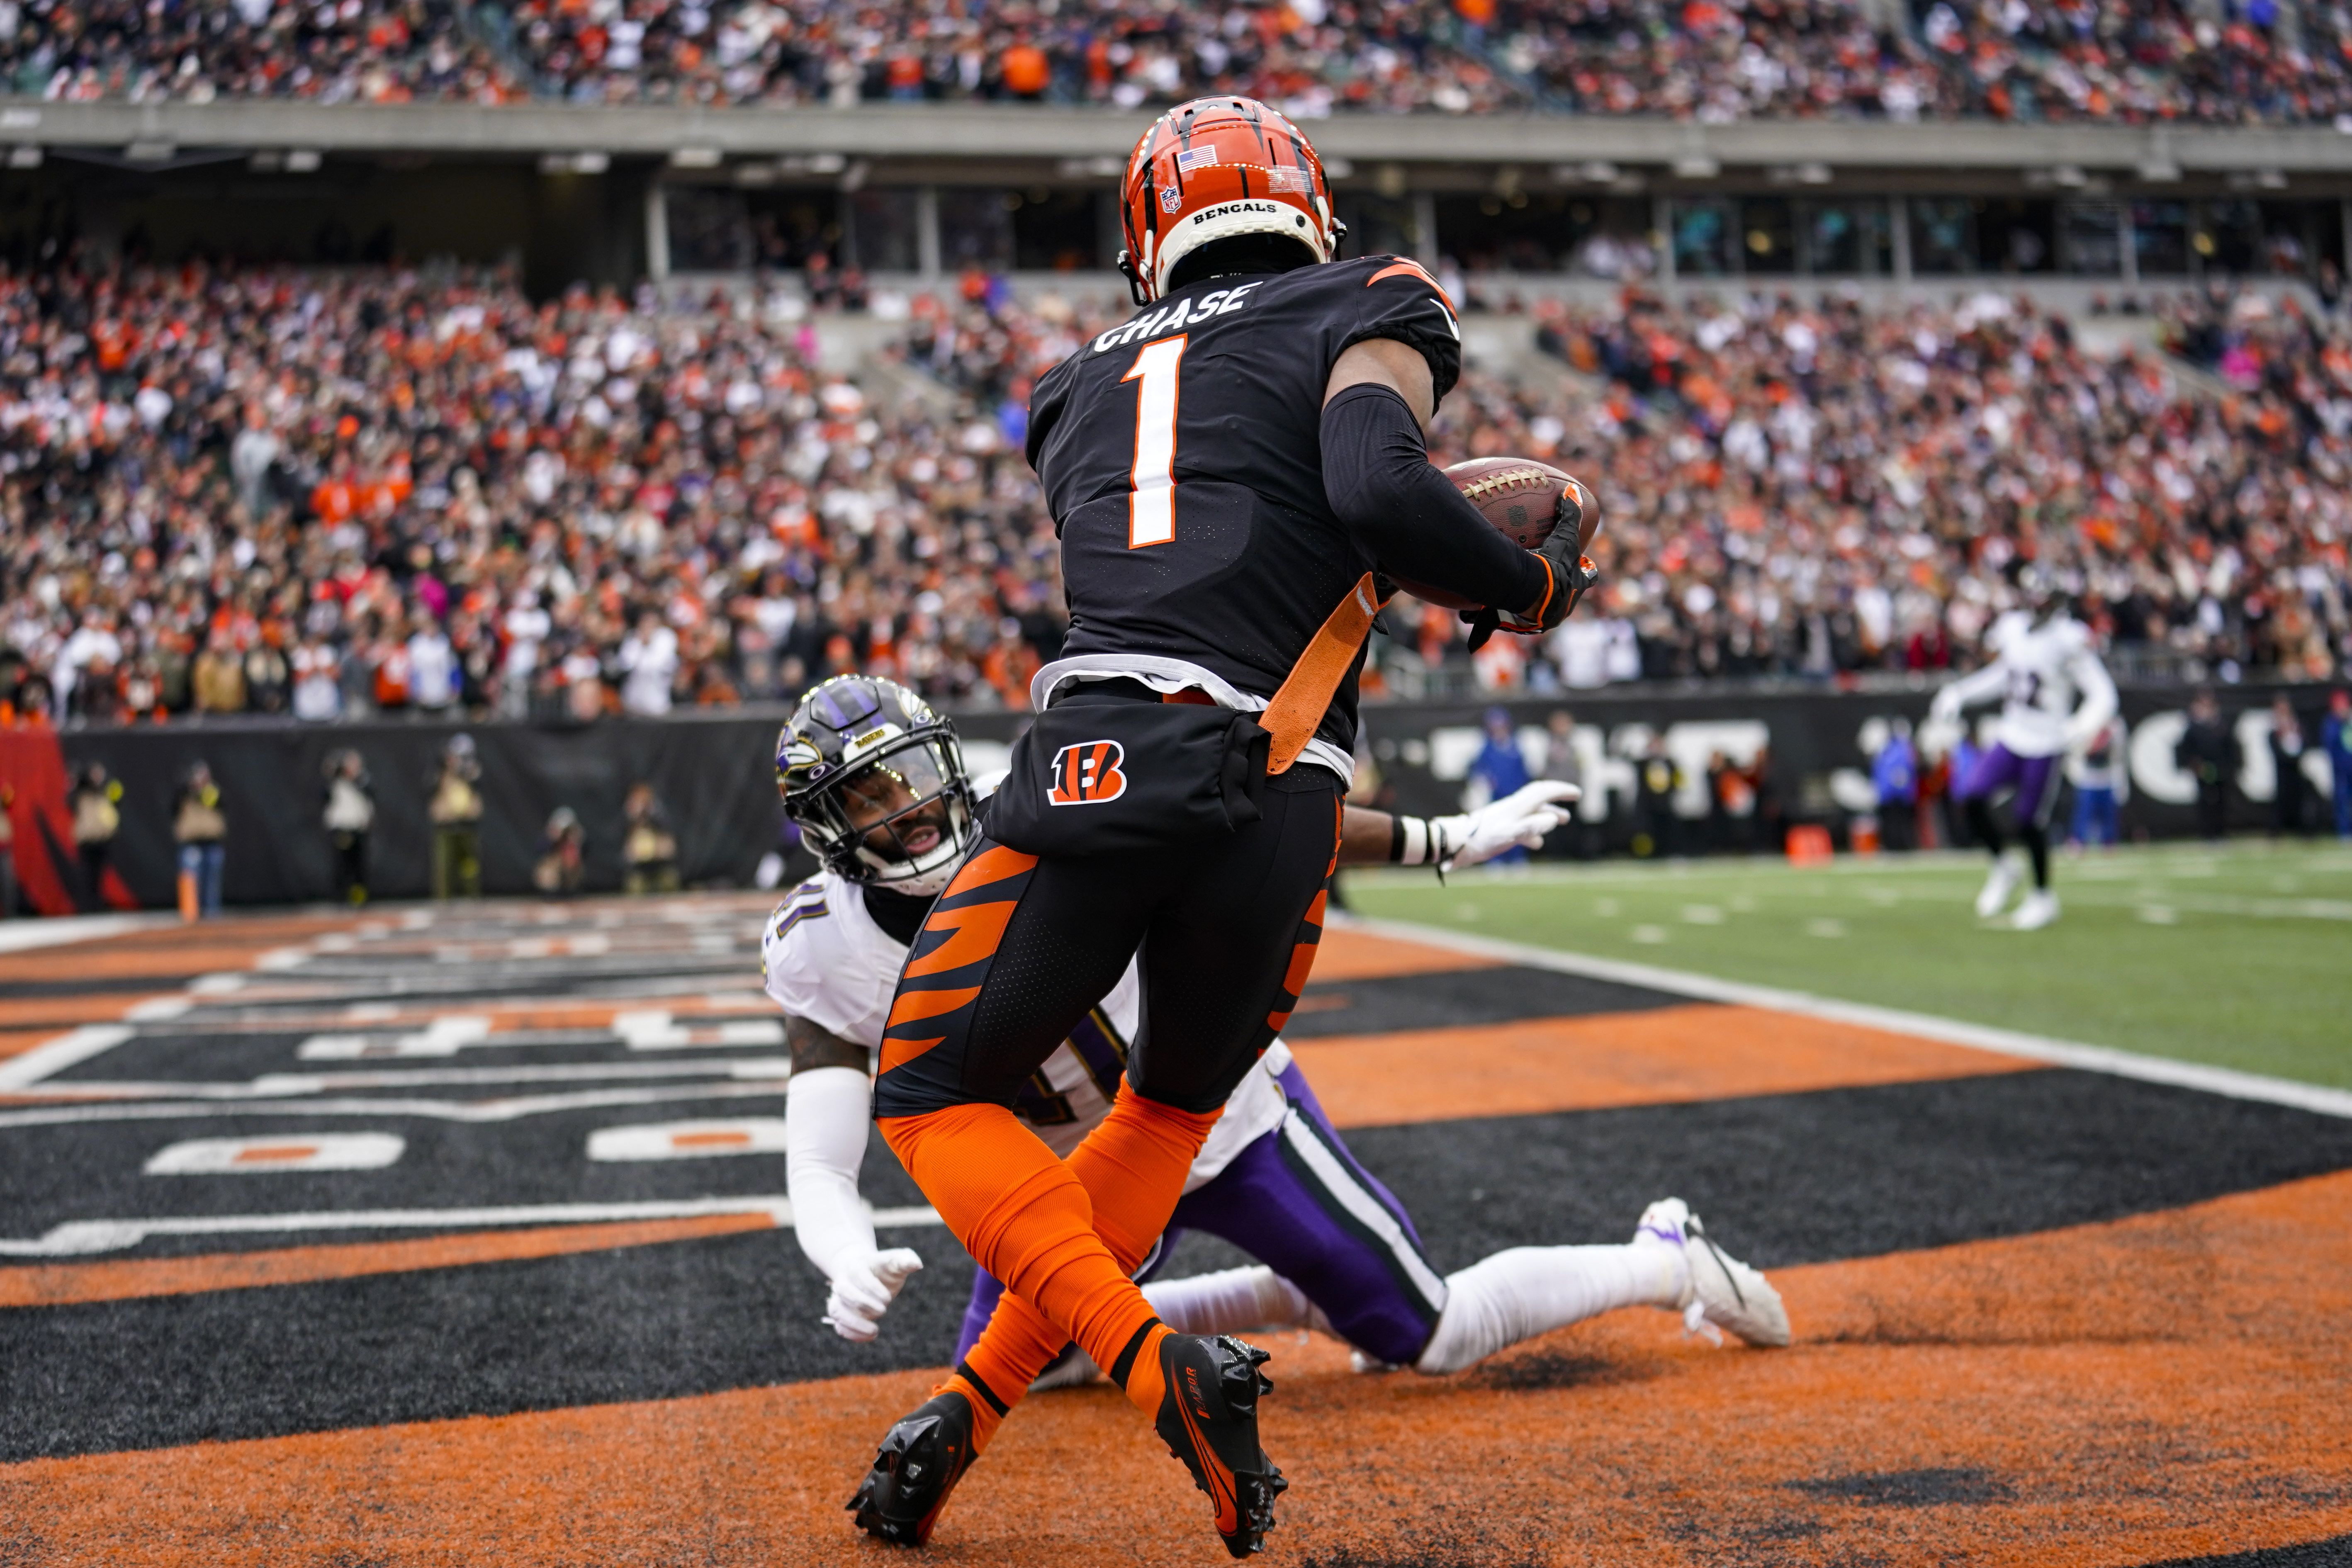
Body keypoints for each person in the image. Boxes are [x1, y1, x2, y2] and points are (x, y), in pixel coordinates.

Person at [857, 99, 1596, 1559]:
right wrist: (1526, 589)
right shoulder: (1367, 295)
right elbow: (1377, 488)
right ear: (1306, 202)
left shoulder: (1067, 389)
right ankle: (975, 1402)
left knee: (932, 1093)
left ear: (1146, 230)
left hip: (1107, 756)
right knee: (1169, 1114)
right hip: (1290, 795)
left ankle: (1148, 1364)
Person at [773, 682, 1766, 1551]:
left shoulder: (1046, 799)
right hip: (1068, 1186)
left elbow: (1261, 815)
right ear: (824, 832)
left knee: (1432, 1331)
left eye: (908, 775)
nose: (907, 809)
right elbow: (821, 1148)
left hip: (1223, 1118)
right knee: (1039, 1370)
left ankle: (1665, 1256)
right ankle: (1289, 1293)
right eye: (868, 798)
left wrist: (1441, 838)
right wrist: (840, 1246)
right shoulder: (823, 947)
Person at [1928, 571, 2116, 930]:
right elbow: (2005, 675)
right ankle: (2003, 865)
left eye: (2042, 599)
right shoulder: (2013, 627)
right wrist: (1960, 693)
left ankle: (2043, 896)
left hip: (2046, 741)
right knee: (1970, 797)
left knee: (2028, 821)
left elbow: (2104, 694)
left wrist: (2079, 726)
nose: (2035, 605)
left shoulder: (2068, 639)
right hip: (2012, 734)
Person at [1465, 707, 1532, 865]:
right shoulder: (1486, 747)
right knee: (1494, 829)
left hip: (1515, 794)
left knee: (1517, 827)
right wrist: (1486, 781)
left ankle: (1517, 858)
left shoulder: (1516, 745)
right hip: (1495, 796)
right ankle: (1496, 859)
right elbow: (1476, 768)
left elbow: (1524, 770)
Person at [427, 734, 484, 899]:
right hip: (447, 825)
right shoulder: (441, 773)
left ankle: (472, 896)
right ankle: (443, 899)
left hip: (467, 825)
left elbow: (478, 788)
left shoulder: (473, 772)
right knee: (444, 866)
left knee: (470, 865)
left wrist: (469, 774)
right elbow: (430, 788)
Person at [2175, 691, 2235, 843]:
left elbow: (2230, 749)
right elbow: (2186, 750)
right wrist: (2196, 766)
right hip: (2202, 770)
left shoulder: (2222, 725)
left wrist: (2227, 769)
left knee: (2221, 803)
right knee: (2205, 803)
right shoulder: (2194, 728)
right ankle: (2207, 833)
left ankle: (2220, 832)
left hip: (2221, 771)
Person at [172, 761, 228, 919]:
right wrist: (190, 788)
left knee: (212, 880)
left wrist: (202, 790)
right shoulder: (184, 793)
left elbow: (218, 801)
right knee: (190, 877)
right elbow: (175, 806)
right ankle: (190, 912)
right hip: (191, 842)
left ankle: (212, 911)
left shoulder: (212, 792)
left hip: (211, 841)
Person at [322, 750, 375, 904]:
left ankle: (359, 899)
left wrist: (355, 777)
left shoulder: (362, 781)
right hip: (342, 828)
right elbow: (324, 795)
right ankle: (340, 898)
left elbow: (369, 794)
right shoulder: (335, 783)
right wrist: (332, 772)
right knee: (343, 864)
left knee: (359, 865)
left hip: (358, 828)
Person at [2066, 717, 2126, 850]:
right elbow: (2078, 750)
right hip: (2088, 780)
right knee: (2084, 813)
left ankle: (2109, 841)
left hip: (2107, 778)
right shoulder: (2086, 724)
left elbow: (2118, 753)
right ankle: (2078, 841)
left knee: (2108, 814)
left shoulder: (2116, 726)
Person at [70, 762, 122, 912]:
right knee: (88, 874)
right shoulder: (82, 791)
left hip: (103, 837)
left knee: (100, 874)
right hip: (87, 839)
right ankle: (87, 905)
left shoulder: (107, 789)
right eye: (94, 774)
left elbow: (118, 798)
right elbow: (70, 800)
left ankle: (98, 904)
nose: (97, 777)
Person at [622, 782, 680, 894]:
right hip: (639, 868)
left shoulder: (659, 812)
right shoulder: (628, 816)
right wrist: (634, 816)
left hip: (661, 864)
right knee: (635, 886)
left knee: (669, 882)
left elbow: (669, 828)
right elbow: (621, 833)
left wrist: (650, 813)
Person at [1872, 717, 1918, 852]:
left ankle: (1903, 845)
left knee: (1901, 821)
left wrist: (1899, 789)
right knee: (1890, 821)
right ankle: (1893, 845)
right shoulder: (1888, 751)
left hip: (1898, 794)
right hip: (1889, 794)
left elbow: (1903, 773)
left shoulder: (1902, 750)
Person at [2267, 696, 2309, 836]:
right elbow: (2275, 747)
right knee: (2281, 800)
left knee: (2299, 799)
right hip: (2282, 770)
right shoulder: (2275, 730)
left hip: (2296, 769)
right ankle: (2278, 831)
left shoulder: (2296, 726)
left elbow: (2304, 743)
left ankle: (2301, 829)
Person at [534, 807, 586, 897]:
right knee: (548, 870)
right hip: (556, 867)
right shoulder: (550, 838)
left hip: (569, 869)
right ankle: (550, 894)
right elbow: (539, 850)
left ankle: (572, 892)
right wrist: (553, 838)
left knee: (573, 865)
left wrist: (577, 842)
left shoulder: (575, 838)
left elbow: (586, 852)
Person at [2325, 690, 2352, 839]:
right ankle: (2345, 832)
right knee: (2342, 801)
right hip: (2341, 771)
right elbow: (2331, 746)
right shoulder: (2332, 724)